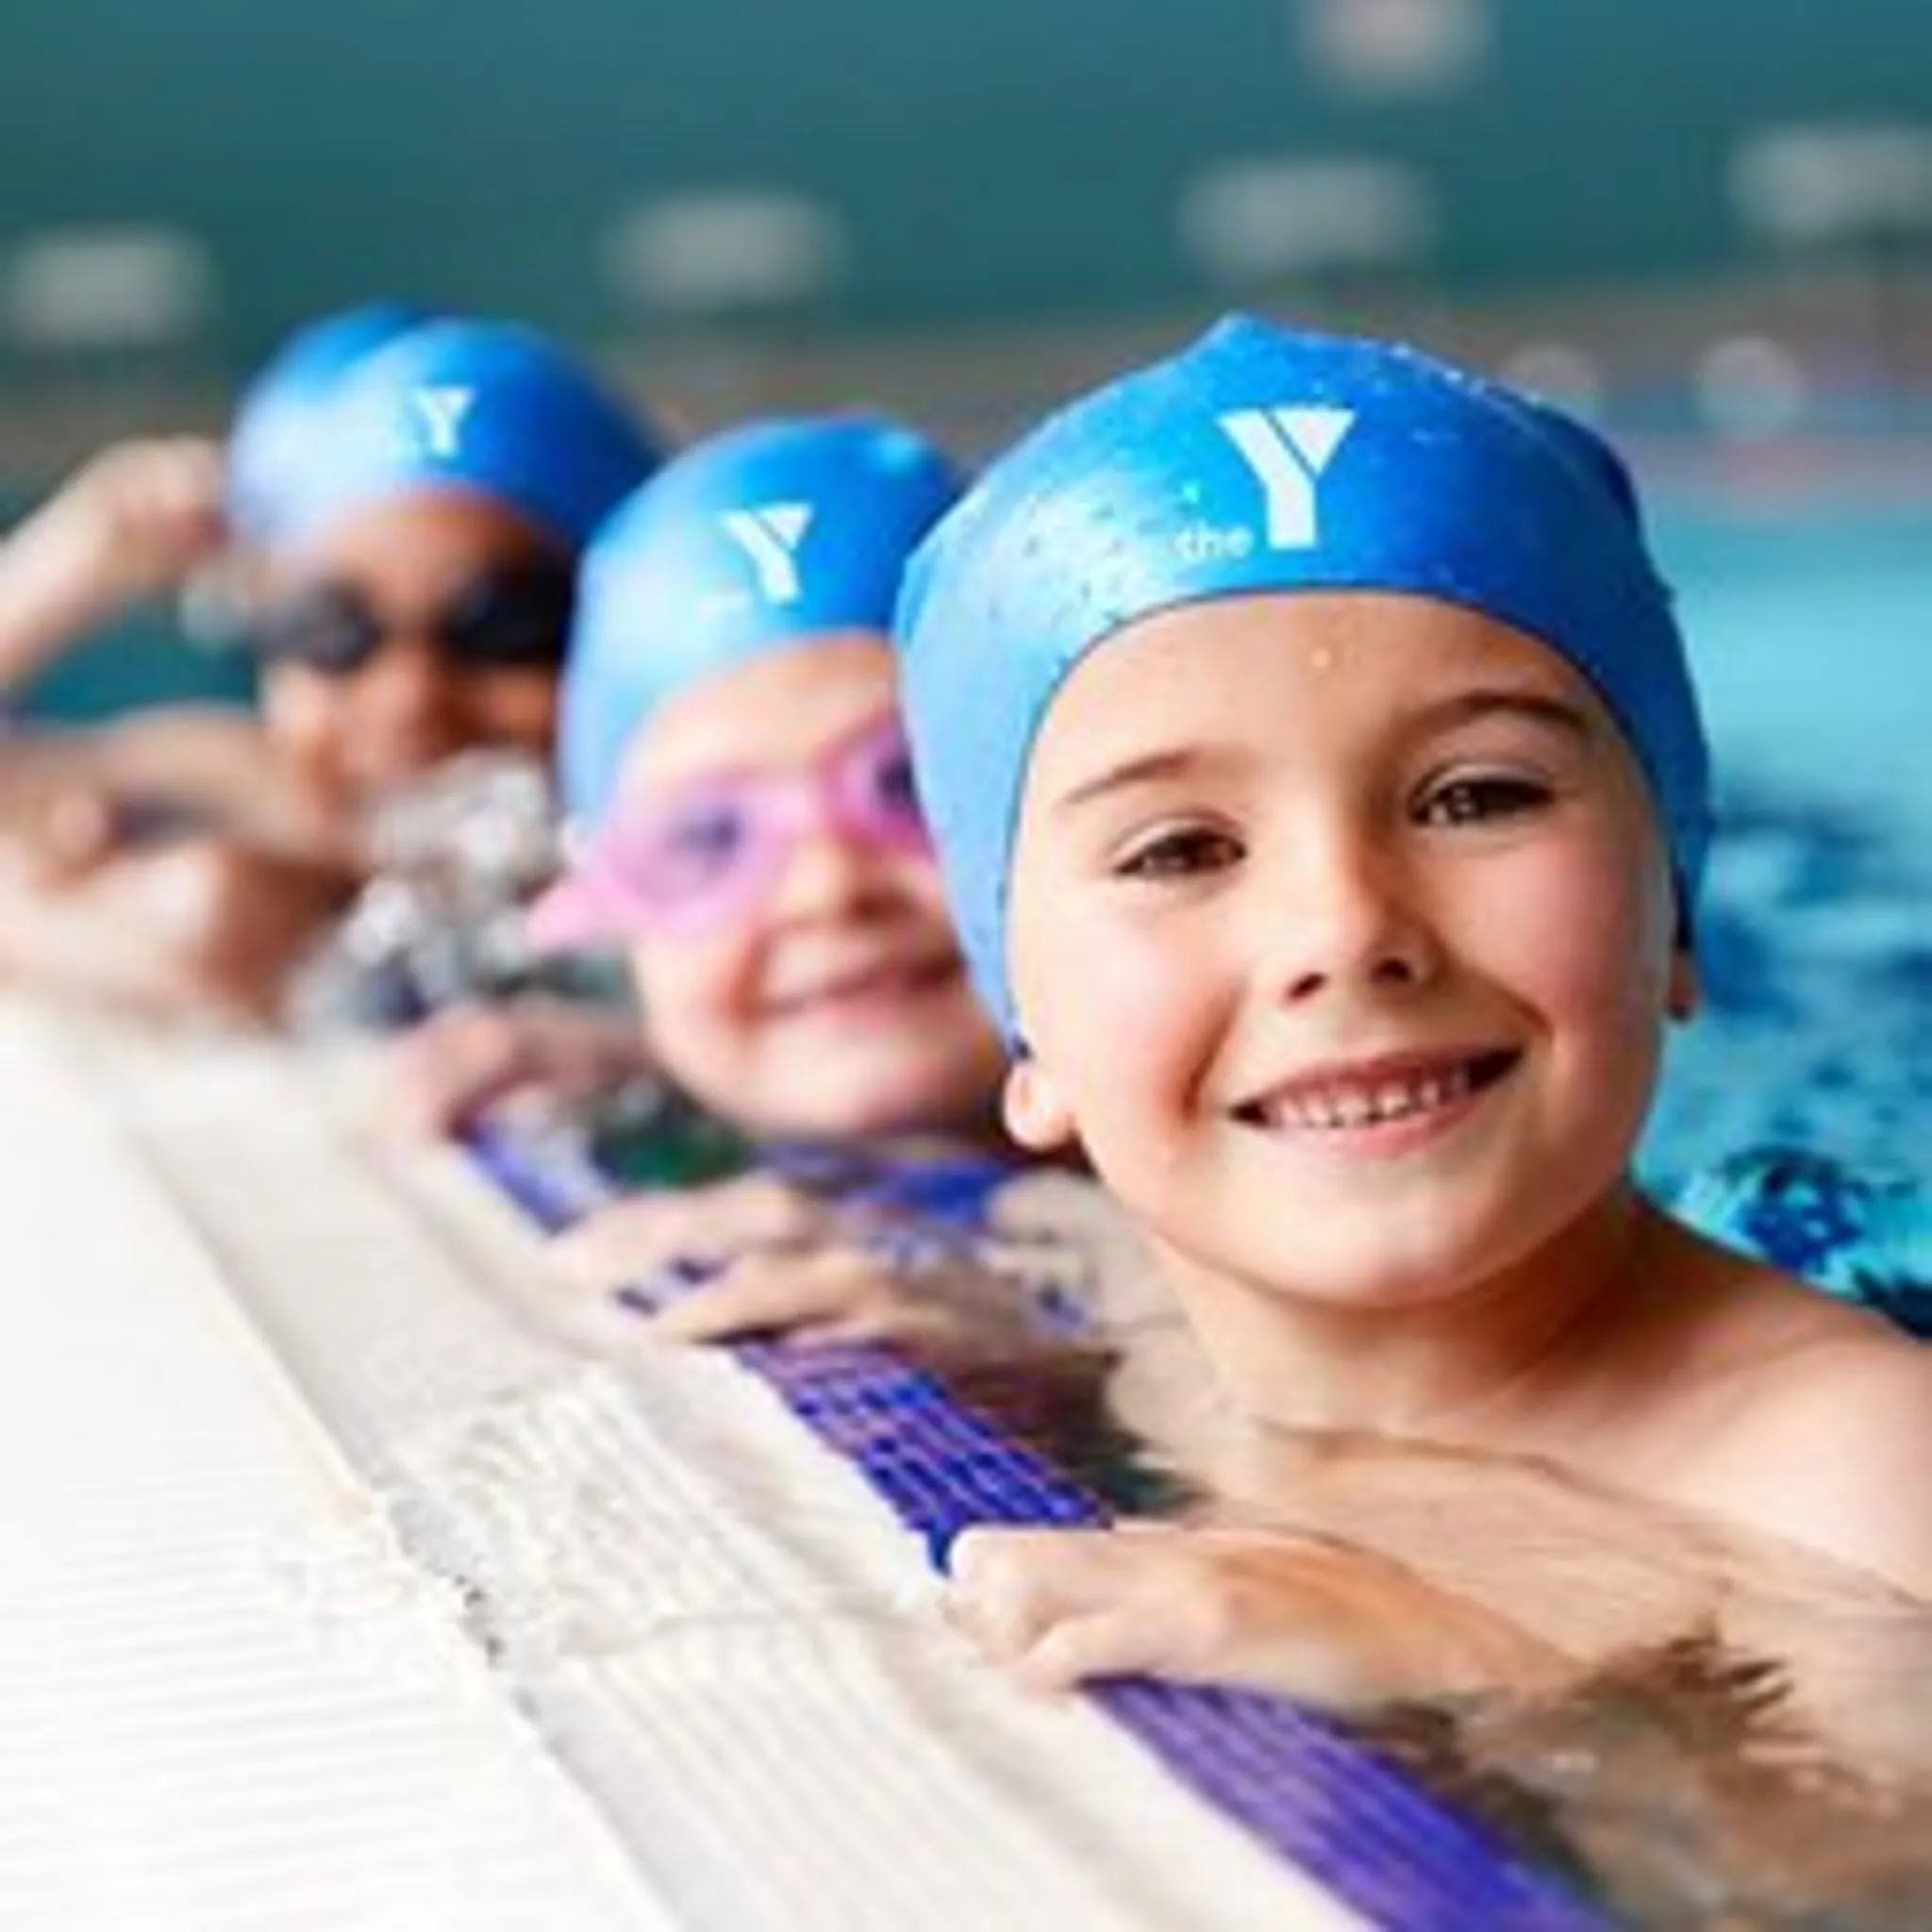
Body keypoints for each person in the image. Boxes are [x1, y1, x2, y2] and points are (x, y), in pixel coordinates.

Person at [888, 314, 1932, 1705]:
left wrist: (1480, 1661)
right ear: (1026, 1037)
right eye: (1181, 851)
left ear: (1674, 914)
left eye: (1478, 797)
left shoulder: (1860, 1481)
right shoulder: (1154, 1342)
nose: (1347, 930)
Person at [502, 415, 1048, 1354]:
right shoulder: (600, 1128)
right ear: (607, 909)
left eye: (906, 785)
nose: (825, 888)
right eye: (706, 838)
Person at [0, 313, 664, 1020]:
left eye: (504, 630)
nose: (409, 697)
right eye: (332, 632)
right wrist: (67, 564)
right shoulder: (241, 788)